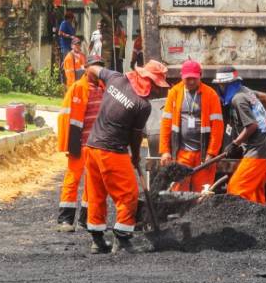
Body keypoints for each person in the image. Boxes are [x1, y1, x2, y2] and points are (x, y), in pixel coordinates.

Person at [82, 59, 169, 254]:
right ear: (147, 80)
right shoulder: (142, 105)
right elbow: (135, 135)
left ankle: (97, 241)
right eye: (155, 84)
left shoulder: (114, 78)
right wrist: (136, 156)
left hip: (92, 147)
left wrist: (92, 80)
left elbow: (92, 68)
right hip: (112, 151)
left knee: (96, 194)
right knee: (128, 194)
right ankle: (121, 238)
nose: (156, 89)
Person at [55, 55, 106, 232]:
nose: (98, 70)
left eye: (100, 66)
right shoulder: (77, 88)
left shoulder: (104, 89)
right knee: (72, 179)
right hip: (80, 144)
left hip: (97, 145)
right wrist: (68, 145)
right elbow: (66, 117)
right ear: (86, 69)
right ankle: (65, 220)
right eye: (95, 67)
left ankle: (85, 219)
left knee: (93, 183)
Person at [159, 60, 224, 192]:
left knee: (203, 193)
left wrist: (211, 155)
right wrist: (165, 151)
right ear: (182, 76)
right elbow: (166, 123)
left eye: (194, 78)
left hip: (203, 155)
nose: (191, 82)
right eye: (188, 79)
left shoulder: (211, 94)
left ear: (200, 75)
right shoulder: (174, 93)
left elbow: (217, 127)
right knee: (178, 192)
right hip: (181, 153)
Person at [212, 66, 266, 204]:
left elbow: (252, 126)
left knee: (236, 188)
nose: (220, 88)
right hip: (264, 150)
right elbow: (264, 96)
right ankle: (260, 223)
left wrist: (235, 144)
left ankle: (240, 224)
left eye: (221, 85)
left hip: (257, 152)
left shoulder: (238, 99)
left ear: (227, 85)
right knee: (255, 192)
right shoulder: (247, 91)